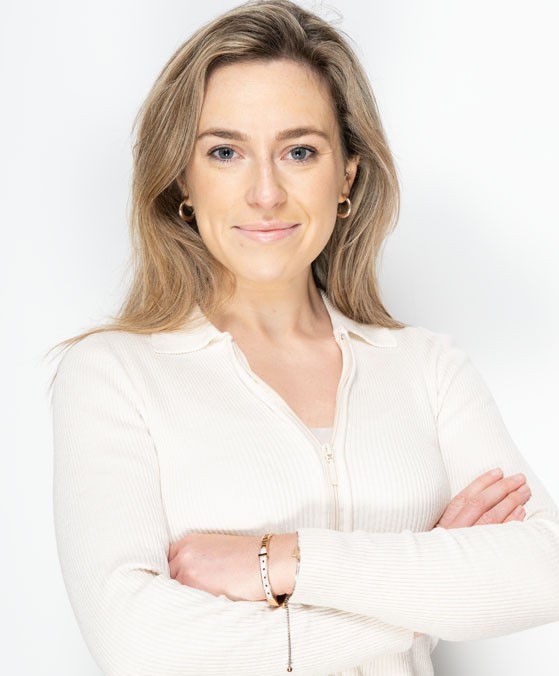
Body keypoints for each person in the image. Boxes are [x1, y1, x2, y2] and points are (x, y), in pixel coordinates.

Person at [49, 1, 559, 674]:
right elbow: (138, 643)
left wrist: (279, 560)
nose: (265, 192)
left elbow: (543, 567)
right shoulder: (113, 374)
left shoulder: (427, 367)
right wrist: (426, 597)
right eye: (225, 152)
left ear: (346, 174)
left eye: (299, 151)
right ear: (181, 178)